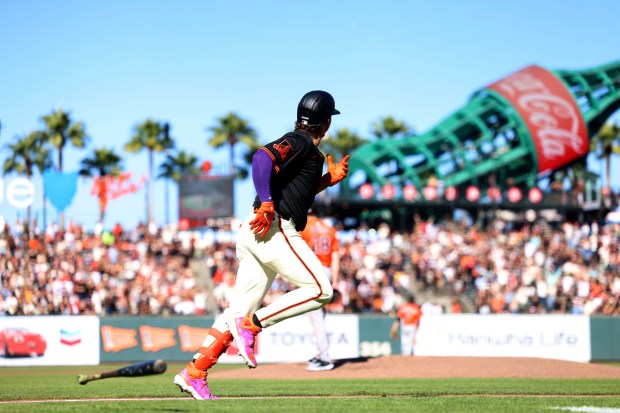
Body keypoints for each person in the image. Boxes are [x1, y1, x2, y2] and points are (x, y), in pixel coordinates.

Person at [174, 90, 350, 400]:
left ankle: (195, 372)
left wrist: (326, 181)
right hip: (273, 227)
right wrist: (267, 202)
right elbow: (261, 157)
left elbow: (297, 193)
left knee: (237, 309)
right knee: (322, 290)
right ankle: (252, 326)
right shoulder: (300, 141)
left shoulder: (310, 153)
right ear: (326, 123)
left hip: (258, 231)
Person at [299, 209, 340, 371]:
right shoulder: (329, 229)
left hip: (312, 270)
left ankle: (324, 357)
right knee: (319, 314)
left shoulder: (303, 226)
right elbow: (335, 257)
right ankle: (320, 354)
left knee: (315, 315)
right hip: (327, 270)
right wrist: (335, 281)